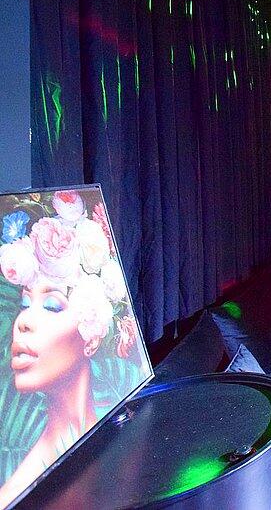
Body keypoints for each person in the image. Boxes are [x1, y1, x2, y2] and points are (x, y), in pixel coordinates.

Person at [0, 191, 141, 508]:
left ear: (92, 337)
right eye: (25, 303)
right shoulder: (13, 493)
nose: (23, 322)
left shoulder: (124, 427)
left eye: (52, 305)